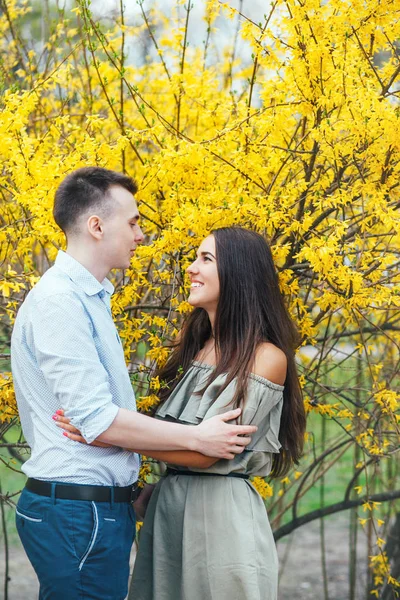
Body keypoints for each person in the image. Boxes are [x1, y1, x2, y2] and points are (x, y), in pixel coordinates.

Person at [10, 167, 257, 600]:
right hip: (76, 512)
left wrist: (126, 488)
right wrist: (198, 438)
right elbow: (97, 422)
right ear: (96, 226)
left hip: (92, 507)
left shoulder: (87, 297)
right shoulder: (60, 302)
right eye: (134, 222)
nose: (141, 234)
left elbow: (97, 422)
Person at [57, 226, 307, 600]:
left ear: (239, 274)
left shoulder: (265, 358)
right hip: (169, 508)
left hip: (220, 520)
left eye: (206, 259)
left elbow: (205, 453)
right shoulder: (198, 347)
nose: (191, 268)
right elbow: (187, 441)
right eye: (195, 257)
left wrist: (106, 431)